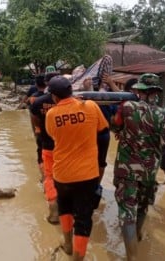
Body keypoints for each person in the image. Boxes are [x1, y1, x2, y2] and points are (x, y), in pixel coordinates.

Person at [111, 73, 165, 261]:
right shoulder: (163, 115)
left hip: (126, 170)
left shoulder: (127, 107)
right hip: (148, 171)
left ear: (140, 90)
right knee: (143, 207)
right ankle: (137, 236)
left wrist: (122, 131)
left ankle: (132, 256)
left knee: (126, 212)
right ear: (156, 92)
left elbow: (114, 126)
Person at [45, 76, 109, 260]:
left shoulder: (51, 114)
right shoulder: (90, 106)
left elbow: (53, 135)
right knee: (83, 218)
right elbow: (103, 130)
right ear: (71, 91)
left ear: (55, 97)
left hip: (62, 174)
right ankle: (78, 257)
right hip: (87, 175)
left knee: (65, 209)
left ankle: (67, 244)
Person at [30, 72, 59, 224]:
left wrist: (38, 130)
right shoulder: (71, 102)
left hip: (47, 144)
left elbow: (34, 119)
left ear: (47, 83)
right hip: (67, 147)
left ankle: (53, 206)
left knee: (49, 177)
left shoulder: (38, 102)